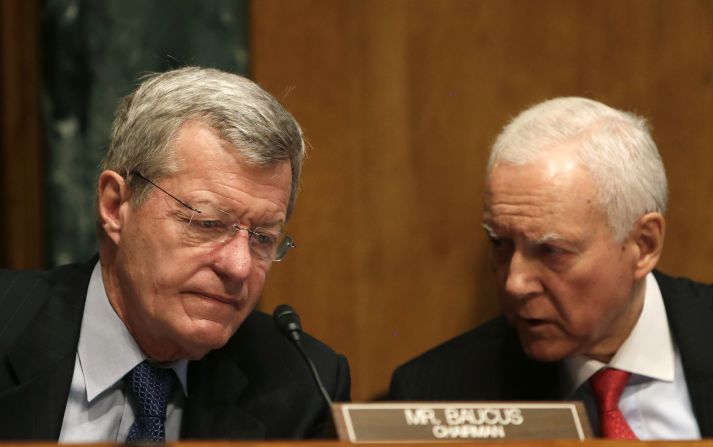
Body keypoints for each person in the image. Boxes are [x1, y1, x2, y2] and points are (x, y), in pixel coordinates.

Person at [0, 67, 350, 442]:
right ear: (115, 205)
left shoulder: (301, 384)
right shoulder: (10, 322)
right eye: (208, 224)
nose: (238, 266)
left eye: (263, 238)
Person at [388, 97, 713, 439]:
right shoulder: (437, 394)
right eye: (500, 243)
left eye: (551, 251)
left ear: (644, 244)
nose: (515, 283)